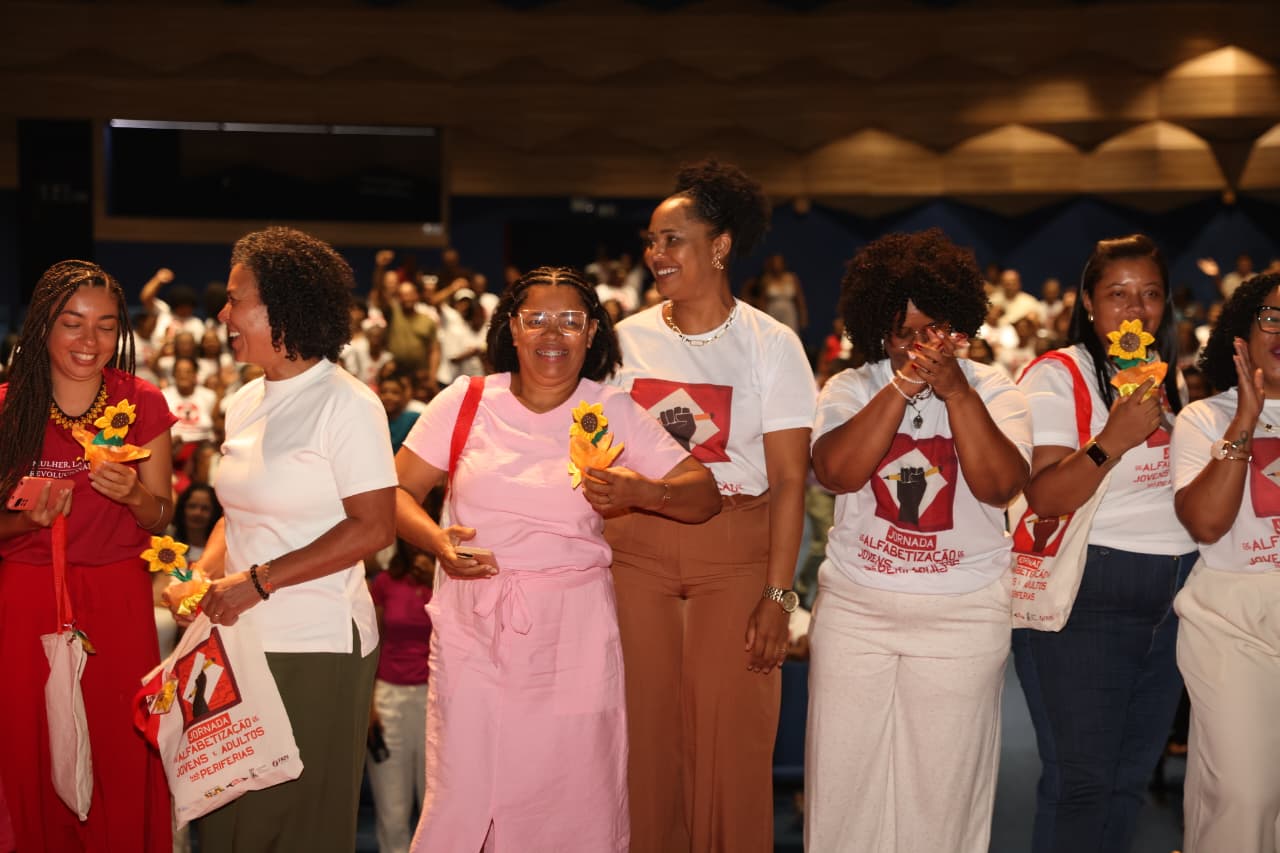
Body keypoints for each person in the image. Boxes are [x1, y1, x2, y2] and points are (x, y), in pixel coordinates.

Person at [395, 266, 720, 853]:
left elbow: (703, 495)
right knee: (466, 789)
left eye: (570, 320)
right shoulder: (467, 400)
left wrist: (645, 492)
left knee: (572, 789)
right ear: (512, 329)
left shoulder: (612, 409)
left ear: (592, 332)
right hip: (475, 624)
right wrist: (438, 542)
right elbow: (394, 494)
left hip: (573, 631)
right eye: (537, 319)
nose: (553, 334)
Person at [606, 159, 816, 853]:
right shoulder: (623, 340)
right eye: (651, 241)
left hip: (736, 554)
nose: (655, 254)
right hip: (637, 551)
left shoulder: (773, 345)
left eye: (673, 240)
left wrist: (779, 595)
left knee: (734, 739)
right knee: (642, 738)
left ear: (720, 246)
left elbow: (791, 481)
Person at [171, 227, 397, 852]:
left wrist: (258, 582)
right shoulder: (244, 400)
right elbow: (235, 516)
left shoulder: (348, 405)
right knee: (226, 823)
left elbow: (374, 527)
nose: (223, 314)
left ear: (283, 308)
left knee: (297, 829)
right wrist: (203, 576)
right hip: (236, 639)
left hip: (313, 642)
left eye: (236, 299)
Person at [805, 229, 1031, 852]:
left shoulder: (995, 389)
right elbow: (836, 472)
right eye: (902, 333)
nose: (919, 346)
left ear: (958, 326)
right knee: (844, 793)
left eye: (933, 329)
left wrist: (956, 393)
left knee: (942, 800)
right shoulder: (851, 387)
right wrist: (901, 387)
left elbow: (1001, 487)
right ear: (879, 331)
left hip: (963, 615)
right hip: (857, 613)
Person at [1012, 234, 1197, 853]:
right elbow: (1045, 496)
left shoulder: (1168, 378)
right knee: (1081, 783)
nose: (1136, 308)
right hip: (1089, 594)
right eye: (1118, 294)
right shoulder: (1056, 374)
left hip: (1173, 597)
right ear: (1088, 302)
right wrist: (1111, 440)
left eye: (1150, 294)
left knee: (1128, 782)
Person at [0, 260, 176, 853]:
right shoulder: (8, 406)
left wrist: (136, 496)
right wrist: (26, 521)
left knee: (118, 742)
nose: (90, 340)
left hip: (118, 599)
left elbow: (162, 516)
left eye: (105, 325)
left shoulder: (141, 401)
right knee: (29, 743)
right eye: (72, 323)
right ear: (43, 325)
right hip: (27, 594)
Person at [1170, 271, 1280, 853]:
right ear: (1242, 334)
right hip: (1232, 628)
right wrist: (1246, 420)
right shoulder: (1204, 419)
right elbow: (1206, 523)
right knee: (1245, 797)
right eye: (1273, 317)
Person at [365, 539, 434, 853]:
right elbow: (371, 643)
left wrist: (436, 580)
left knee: (435, 810)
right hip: (388, 697)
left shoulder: (450, 581)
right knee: (392, 813)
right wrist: (368, 706)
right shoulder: (384, 582)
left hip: (437, 699)